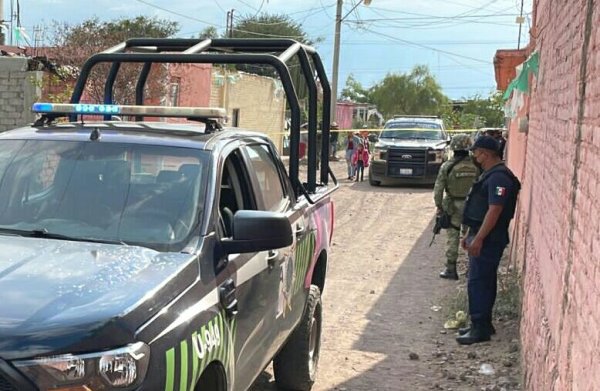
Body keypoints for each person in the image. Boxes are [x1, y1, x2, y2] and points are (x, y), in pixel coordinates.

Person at [456, 135, 521, 345]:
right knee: (482, 280)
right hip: (482, 234)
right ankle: (482, 323)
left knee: (479, 282)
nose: (474, 156)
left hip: (490, 238)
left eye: (476, 152)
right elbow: (480, 209)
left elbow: (494, 210)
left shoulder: (499, 178)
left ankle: (480, 328)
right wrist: (470, 234)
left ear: (485, 153)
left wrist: (479, 238)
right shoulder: (491, 174)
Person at [433, 134, 479, 280]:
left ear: (453, 147)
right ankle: (472, 269)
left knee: (453, 236)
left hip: (453, 206)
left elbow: (438, 189)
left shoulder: (447, 166)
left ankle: (451, 269)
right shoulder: (476, 166)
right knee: (471, 234)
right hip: (472, 205)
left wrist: (439, 206)